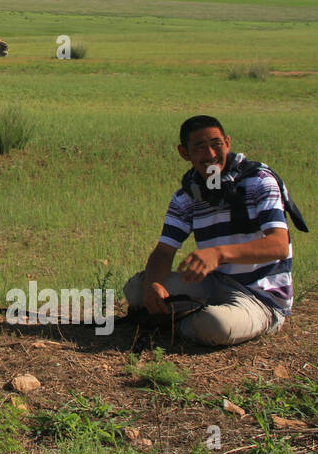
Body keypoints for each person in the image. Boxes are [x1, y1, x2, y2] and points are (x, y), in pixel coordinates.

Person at [124, 115, 307, 346]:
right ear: (184, 153)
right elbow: (164, 250)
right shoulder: (187, 196)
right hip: (212, 283)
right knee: (136, 289)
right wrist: (154, 285)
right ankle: (182, 314)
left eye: (216, 144)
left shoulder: (259, 181)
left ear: (228, 143)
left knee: (214, 325)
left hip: (260, 297)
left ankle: (178, 320)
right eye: (199, 147)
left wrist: (219, 254)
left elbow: (279, 245)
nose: (210, 154)